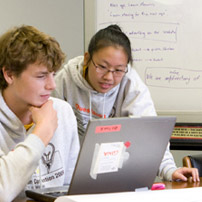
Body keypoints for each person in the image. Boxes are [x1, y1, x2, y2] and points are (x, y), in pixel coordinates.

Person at [51, 24, 199, 183]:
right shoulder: (64, 81)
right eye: (102, 67)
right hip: (69, 178)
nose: (109, 77)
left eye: (118, 70)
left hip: (116, 175)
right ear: (87, 58)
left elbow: (150, 135)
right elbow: (51, 134)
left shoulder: (132, 86)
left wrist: (170, 170)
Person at [0, 25, 80, 202]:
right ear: (9, 75)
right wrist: (43, 131)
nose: (52, 85)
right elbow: (2, 191)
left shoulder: (62, 111)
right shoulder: (48, 121)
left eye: (53, 74)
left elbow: (70, 190)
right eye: (41, 76)